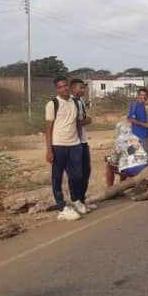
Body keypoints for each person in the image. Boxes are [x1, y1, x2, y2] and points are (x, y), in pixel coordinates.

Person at [45, 76, 86, 220]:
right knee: (57, 177)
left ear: (68, 86)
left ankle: (75, 200)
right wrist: (49, 150)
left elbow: (78, 123)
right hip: (58, 145)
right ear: (57, 89)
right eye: (60, 86)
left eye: (65, 86)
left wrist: (79, 141)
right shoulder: (52, 104)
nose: (64, 88)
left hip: (74, 145)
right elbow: (48, 129)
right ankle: (62, 207)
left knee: (77, 176)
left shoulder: (76, 103)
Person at [70, 78, 97, 212]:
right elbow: (75, 123)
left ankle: (82, 199)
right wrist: (87, 121)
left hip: (83, 141)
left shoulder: (80, 101)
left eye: (83, 87)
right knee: (77, 174)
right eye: (80, 88)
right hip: (75, 142)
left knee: (86, 171)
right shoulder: (71, 102)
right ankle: (76, 200)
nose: (83, 90)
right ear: (73, 88)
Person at [127, 88, 148, 160]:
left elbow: (140, 119)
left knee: (138, 158)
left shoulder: (142, 105)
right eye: (141, 95)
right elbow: (130, 119)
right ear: (138, 95)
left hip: (143, 135)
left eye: (145, 95)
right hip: (138, 136)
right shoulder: (135, 105)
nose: (143, 97)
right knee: (146, 157)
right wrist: (144, 125)